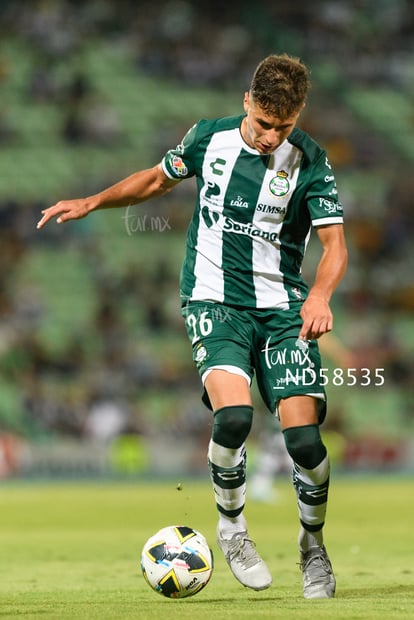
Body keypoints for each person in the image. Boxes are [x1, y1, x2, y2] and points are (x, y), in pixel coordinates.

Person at [37, 53, 348, 599]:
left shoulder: (311, 162)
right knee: (233, 417)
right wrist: (95, 200)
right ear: (247, 102)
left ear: (298, 116)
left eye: (286, 126)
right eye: (265, 123)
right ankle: (232, 529)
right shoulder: (209, 139)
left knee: (303, 440)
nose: (273, 135)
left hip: (283, 312)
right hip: (213, 301)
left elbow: (334, 245)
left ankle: (312, 544)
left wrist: (320, 294)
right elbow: (156, 182)